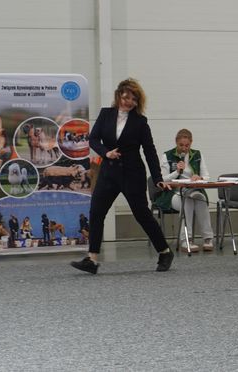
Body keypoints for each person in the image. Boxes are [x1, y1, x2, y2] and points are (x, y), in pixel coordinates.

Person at [70, 78, 174, 274]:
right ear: (119, 96)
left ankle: (165, 251)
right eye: (126, 97)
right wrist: (105, 152)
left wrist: (158, 177)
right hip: (108, 172)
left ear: (137, 102)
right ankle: (92, 259)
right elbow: (93, 139)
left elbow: (149, 151)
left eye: (133, 99)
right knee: (96, 212)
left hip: (132, 173)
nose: (129, 102)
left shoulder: (140, 122)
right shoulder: (106, 114)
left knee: (142, 214)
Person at [157, 129, 214, 252]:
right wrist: (176, 172)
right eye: (181, 145)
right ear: (176, 142)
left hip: (193, 190)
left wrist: (199, 177)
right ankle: (186, 239)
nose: (184, 148)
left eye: (187, 145)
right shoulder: (167, 155)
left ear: (191, 143)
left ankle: (208, 238)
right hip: (173, 193)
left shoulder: (197, 154)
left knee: (201, 199)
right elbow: (162, 179)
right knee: (187, 200)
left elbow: (207, 176)